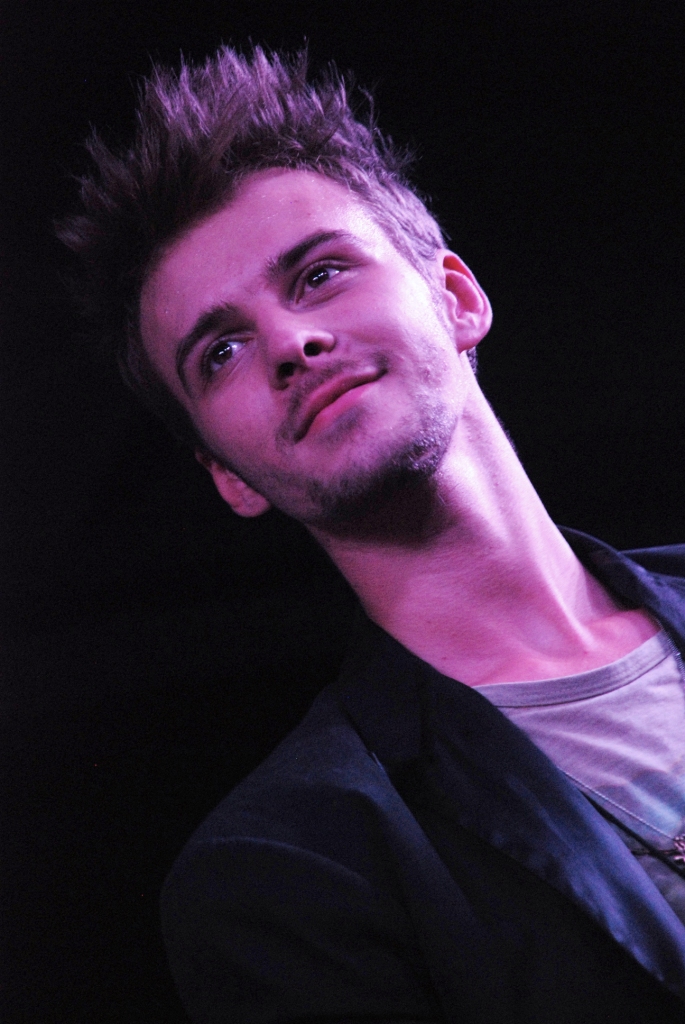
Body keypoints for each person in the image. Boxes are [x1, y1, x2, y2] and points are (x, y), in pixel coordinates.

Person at [58, 46, 685, 1024]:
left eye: (319, 274)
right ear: (227, 476)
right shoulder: (286, 869)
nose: (289, 342)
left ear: (456, 297)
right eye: (220, 351)